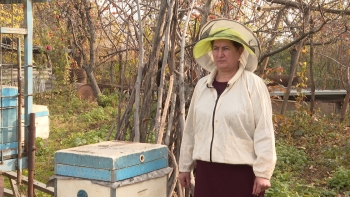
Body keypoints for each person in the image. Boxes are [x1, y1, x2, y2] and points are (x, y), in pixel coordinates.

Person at [178, 19, 277, 197]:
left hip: (240, 175)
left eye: (226, 48)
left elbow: (264, 131)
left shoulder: (253, 84)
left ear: (239, 52)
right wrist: (185, 166)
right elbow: (191, 130)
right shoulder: (202, 86)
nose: (220, 54)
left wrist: (263, 173)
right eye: (216, 48)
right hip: (206, 174)